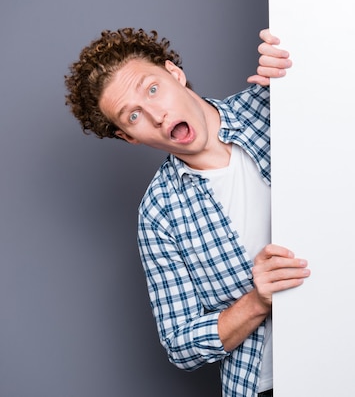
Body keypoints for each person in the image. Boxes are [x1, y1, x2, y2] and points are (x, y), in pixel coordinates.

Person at [64, 27, 310, 397]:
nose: (158, 116)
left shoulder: (274, 102)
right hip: (266, 385)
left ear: (174, 73)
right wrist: (257, 301)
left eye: (152, 89)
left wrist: (302, 62)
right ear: (128, 137)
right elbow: (180, 343)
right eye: (132, 117)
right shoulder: (159, 213)